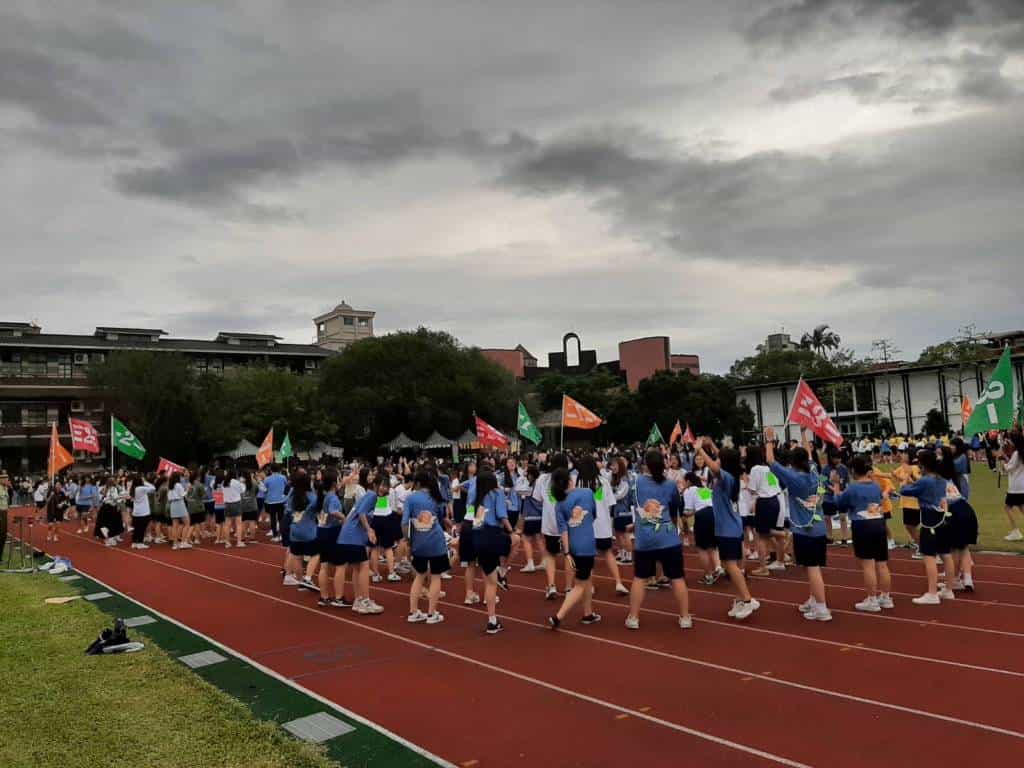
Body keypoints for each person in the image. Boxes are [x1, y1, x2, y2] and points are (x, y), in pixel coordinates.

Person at [764, 428, 831, 621]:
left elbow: (770, 460)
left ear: (793, 463)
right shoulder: (813, 471)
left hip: (805, 530)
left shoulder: (794, 478)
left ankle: (822, 608)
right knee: (812, 567)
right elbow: (809, 454)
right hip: (818, 527)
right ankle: (814, 599)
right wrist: (803, 434)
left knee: (812, 568)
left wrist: (769, 440)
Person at [625, 449, 692, 631]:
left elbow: (633, 503)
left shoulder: (636, 482)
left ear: (645, 465)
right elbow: (676, 507)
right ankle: (685, 617)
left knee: (640, 578)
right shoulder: (670, 485)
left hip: (644, 539)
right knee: (677, 577)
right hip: (668, 537)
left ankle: (633, 617)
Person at [696, 439, 759, 621]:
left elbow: (714, 467)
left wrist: (701, 450)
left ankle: (747, 599)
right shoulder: (731, 475)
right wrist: (712, 446)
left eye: (719, 459)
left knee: (731, 566)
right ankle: (739, 600)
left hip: (728, 529)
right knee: (729, 565)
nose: (717, 460)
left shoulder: (726, 478)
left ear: (724, 463)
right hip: (729, 527)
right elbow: (724, 459)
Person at [835, 455, 893, 612]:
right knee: (882, 563)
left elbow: (840, 505)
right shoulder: (875, 486)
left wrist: (836, 486)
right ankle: (886, 597)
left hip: (862, 525)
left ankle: (872, 600)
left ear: (853, 470)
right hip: (879, 523)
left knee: (868, 564)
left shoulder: (852, 488)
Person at [548, 462, 601, 628]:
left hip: (573, 546)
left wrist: (567, 552)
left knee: (586, 579)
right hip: (587, 545)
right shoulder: (587, 492)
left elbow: (563, 530)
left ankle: (588, 613)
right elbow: (594, 515)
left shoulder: (559, 504)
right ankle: (558, 616)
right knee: (579, 585)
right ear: (570, 480)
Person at [899, 450, 956, 605]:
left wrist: (905, 479)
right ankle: (949, 589)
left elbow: (905, 491)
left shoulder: (925, 481)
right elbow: (920, 488)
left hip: (929, 521)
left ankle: (932, 593)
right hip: (942, 519)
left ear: (923, 465)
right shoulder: (941, 479)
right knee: (946, 554)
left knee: (929, 556)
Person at [471, 470, 516, 634]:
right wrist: (511, 531)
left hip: (478, 537)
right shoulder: (497, 493)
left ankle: (492, 620)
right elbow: (502, 515)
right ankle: (503, 570)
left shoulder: (477, 497)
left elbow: (473, 519)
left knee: (489, 582)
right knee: (516, 540)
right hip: (492, 535)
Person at [336, 473, 388, 615]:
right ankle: (365, 601)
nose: (384, 488)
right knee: (364, 567)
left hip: (348, 535)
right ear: (375, 485)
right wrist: (369, 530)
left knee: (357, 568)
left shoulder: (370, 496)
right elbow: (361, 514)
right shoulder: (372, 496)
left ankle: (359, 600)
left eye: (387, 486)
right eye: (382, 485)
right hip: (353, 537)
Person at [403, 470, 449, 624]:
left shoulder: (410, 498)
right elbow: (441, 518)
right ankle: (431, 613)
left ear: (417, 483)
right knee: (435, 576)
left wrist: (408, 540)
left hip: (418, 542)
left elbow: (404, 523)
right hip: (436, 542)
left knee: (419, 576)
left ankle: (413, 612)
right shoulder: (436, 497)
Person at [535, 453, 572, 599]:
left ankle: (551, 586)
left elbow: (538, 499)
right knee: (568, 554)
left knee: (550, 554)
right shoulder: (570, 478)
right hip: (567, 523)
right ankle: (568, 587)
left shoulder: (543, 479)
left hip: (550, 523)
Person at [745, 445, 786, 576]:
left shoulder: (755, 469)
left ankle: (763, 568)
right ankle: (779, 558)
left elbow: (752, 489)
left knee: (761, 536)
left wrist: (746, 483)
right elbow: (774, 485)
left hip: (764, 501)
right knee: (768, 532)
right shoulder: (768, 468)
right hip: (775, 500)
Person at [683, 471, 722, 585]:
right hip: (714, 514)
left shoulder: (689, 490)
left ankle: (708, 576)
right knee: (713, 545)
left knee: (702, 548)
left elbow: (689, 511)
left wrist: (683, 515)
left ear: (688, 481)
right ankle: (718, 567)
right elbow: (707, 503)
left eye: (684, 481)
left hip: (702, 516)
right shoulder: (704, 489)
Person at [892, 447, 922, 556]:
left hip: (913, 502)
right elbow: (894, 475)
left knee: (911, 526)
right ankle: (920, 545)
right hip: (906, 502)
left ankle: (922, 547)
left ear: (910, 456)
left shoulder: (914, 467)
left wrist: (908, 477)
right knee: (909, 526)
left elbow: (918, 481)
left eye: (905, 454)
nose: (902, 455)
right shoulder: (903, 467)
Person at [518, 464, 544, 572]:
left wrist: (523, 477)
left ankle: (530, 563)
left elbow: (518, 490)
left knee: (526, 539)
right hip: (540, 516)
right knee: (539, 539)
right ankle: (544, 561)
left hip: (530, 516)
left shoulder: (530, 486)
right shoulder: (540, 483)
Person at [1002, 432, 1024, 541]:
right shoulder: (1020, 453)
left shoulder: (1017, 453)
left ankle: (1016, 531)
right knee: (1021, 507)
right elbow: (1013, 464)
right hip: (1021, 485)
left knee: (1007, 507)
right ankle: (1015, 531)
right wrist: (1005, 457)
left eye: (1010, 440)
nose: (1009, 442)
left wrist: (1003, 463)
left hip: (1015, 487)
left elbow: (1009, 468)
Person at [263, 464, 289, 543]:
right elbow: (287, 486)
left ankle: (275, 535)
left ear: (271, 470)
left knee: (273, 518)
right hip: (281, 500)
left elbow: (264, 489)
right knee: (281, 518)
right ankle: (281, 535)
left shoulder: (267, 479)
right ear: (279, 470)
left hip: (271, 501)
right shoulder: (283, 477)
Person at [129, 475, 155, 549]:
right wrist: (145, 482)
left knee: (136, 528)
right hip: (143, 512)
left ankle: (134, 542)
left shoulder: (133, 488)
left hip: (136, 512)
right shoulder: (141, 488)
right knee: (142, 528)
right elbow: (153, 488)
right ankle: (140, 543)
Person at [168, 471, 192, 550]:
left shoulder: (170, 485)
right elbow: (182, 495)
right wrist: (187, 489)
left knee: (175, 525)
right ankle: (183, 542)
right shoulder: (178, 485)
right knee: (187, 523)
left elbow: (169, 497)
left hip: (173, 505)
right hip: (179, 504)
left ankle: (175, 544)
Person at [222, 469, 245, 548]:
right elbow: (242, 491)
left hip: (227, 504)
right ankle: (239, 542)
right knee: (238, 524)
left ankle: (227, 542)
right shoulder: (236, 482)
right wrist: (242, 483)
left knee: (227, 524)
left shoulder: (224, 482)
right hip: (236, 503)